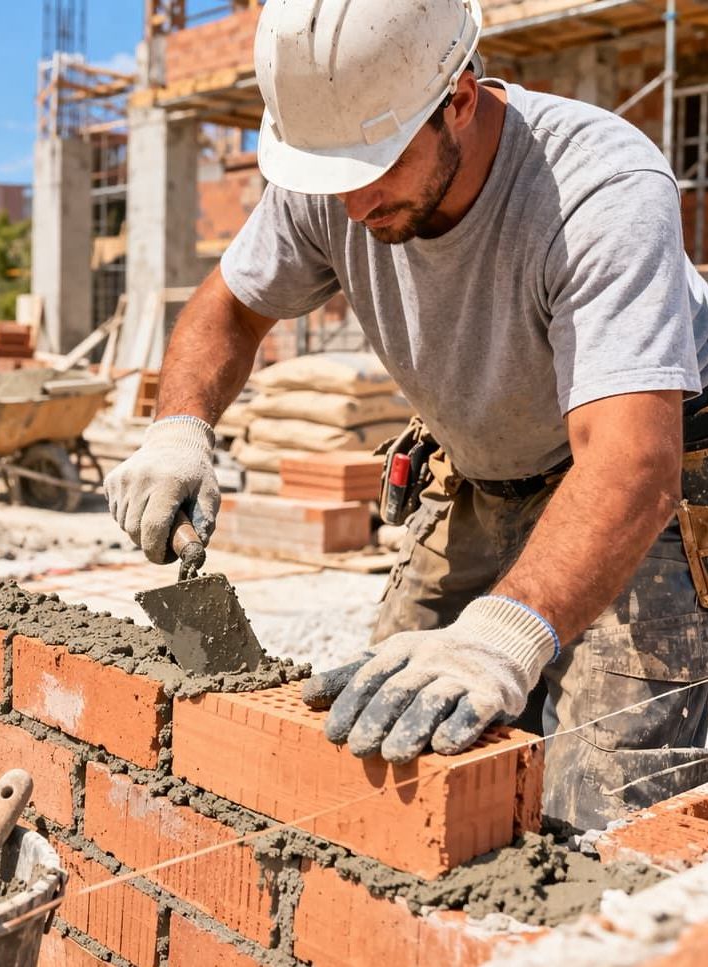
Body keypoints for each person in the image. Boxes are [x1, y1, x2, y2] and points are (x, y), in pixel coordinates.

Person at [105, 0, 708, 830]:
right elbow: (229, 309)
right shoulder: (335, 166)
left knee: (600, 809)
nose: (351, 207)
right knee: (384, 746)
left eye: (374, 170)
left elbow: (631, 460)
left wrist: (506, 635)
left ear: (458, 97)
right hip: (476, 479)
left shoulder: (597, 187)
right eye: (331, 178)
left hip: (637, 491)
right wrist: (179, 429)